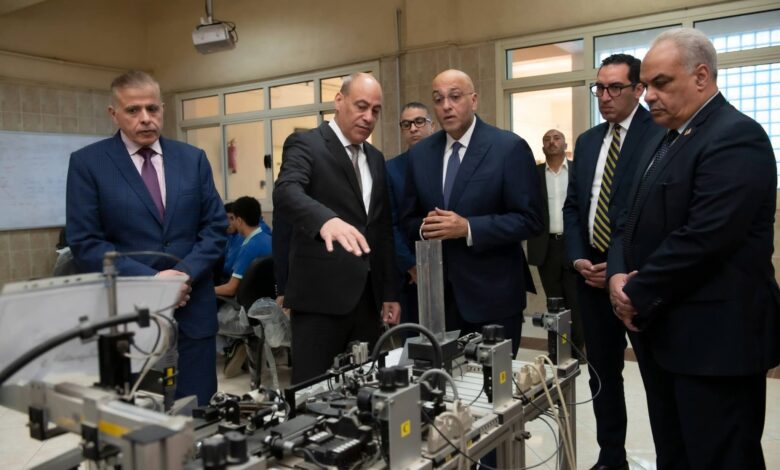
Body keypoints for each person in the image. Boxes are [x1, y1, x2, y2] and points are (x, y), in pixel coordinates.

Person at [608, 29, 780, 470]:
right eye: (645, 85)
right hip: (665, 335)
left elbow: (705, 238)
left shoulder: (736, 136)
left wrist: (636, 291)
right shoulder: (663, 137)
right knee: (675, 454)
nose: (648, 96)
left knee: (721, 457)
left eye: (661, 83)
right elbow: (628, 215)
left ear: (701, 76)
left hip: (716, 344)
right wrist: (617, 273)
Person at [66, 70, 226, 406]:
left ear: (162, 109)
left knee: (198, 409)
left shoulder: (192, 159)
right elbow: (86, 243)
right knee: (131, 412)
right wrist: (153, 281)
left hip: (192, 302)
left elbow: (214, 228)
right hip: (127, 311)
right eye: (133, 110)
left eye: (152, 109)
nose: (145, 118)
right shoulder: (88, 164)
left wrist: (183, 275)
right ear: (114, 113)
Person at [562, 54, 663, 470]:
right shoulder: (588, 142)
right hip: (590, 277)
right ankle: (610, 457)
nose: (604, 96)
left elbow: (651, 214)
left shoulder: (659, 133)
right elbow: (573, 207)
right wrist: (578, 258)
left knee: (657, 377)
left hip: (638, 279)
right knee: (602, 373)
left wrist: (619, 267)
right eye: (599, 88)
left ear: (638, 89)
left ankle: (669, 457)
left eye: (615, 88)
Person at [401, 69, 543, 353]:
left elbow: (531, 220)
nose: (446, 106)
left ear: (474, 100)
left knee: (495, 381)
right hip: (439, 302)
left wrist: (468, 228)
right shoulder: (420, 155)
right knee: (444, 379)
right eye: (438, 99)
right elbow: (408, 219)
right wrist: (426, 228)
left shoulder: (508, 148)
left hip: (494, 298)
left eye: (455, 97)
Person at [272, 72, 400, 383]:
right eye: (361, 106)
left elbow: (381, 230)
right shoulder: (306, 144)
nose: (368, 117)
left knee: (365, 387)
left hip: (367, 300)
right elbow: (286, 191)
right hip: (320, 299)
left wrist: (389, 292)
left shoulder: (376, 158)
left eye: (376, 110)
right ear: (339, 101)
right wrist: (325, 220)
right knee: (313, 390)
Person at [526, 129, 583, 356]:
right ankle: (556, 350)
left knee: (576, 301)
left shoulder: (578, 170)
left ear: (565, 145)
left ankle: (577, 350)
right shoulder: (533, 174)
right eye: (547, 139)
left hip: (573, 245)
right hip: (546, 246)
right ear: (543, 148)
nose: (552, 142)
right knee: (553, 302)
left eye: (556, 138)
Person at [385, 102, 435, 329]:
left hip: (452, 268)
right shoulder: (391, 169)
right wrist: (411, 265)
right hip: (410, 273)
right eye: (406, 124)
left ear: (432, 125)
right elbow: (390, 224)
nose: (413, 128)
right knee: (415, 337)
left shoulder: (447, 162)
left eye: (419, 122)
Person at [215, 196, 272, 297]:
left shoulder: (248, 247)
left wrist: (206, 291)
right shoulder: (269, 239)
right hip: (267, 297)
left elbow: (230, 289)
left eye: (233, 218)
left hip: (249, 300)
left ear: (239, 221)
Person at [222, 201, 244, 280]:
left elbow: (228, 268)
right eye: (225, 218)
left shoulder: (241, 237)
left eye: (231, 218)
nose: (227, 223)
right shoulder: (230, 235)